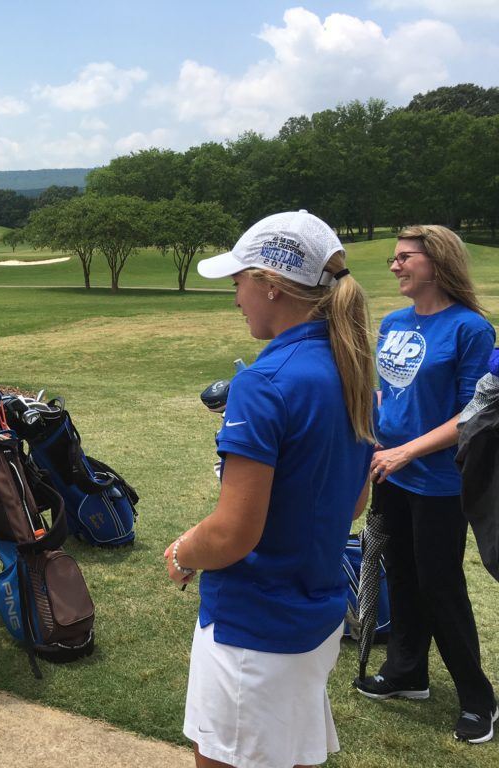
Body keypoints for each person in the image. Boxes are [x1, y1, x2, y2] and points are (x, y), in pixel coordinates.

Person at [166, 210, 375, 768]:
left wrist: (185, 550)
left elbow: (233, 534)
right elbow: (355, 501)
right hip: (315, 616)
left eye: (238, 283)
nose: (235, 298)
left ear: (271, 286)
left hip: (253, 626)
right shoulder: (351, 365)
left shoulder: (264, 382)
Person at [354, 225, 497, 743]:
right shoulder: (393, 322)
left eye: (405, 257)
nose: (395, 266)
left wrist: (405, 452)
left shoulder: (470, 329)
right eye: (393, 258)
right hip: (389, 470)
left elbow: (473, 414)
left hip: (436, 480)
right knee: (401, 575)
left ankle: (479, 699)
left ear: (437, 262)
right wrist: (370, 440)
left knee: (440, 584)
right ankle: (406, 672)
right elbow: (382, 393)